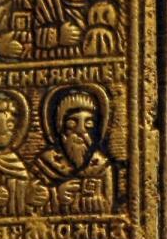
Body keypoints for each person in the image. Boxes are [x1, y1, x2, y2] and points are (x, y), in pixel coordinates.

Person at [34, 87, 115, 215]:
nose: (81, 131)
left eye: (89, 124)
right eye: (72, 123)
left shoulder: (101, 166)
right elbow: (30, 205)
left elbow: (110, 205)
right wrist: (56, 194)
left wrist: (96, 200)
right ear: (60, 127)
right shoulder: (45, 165)